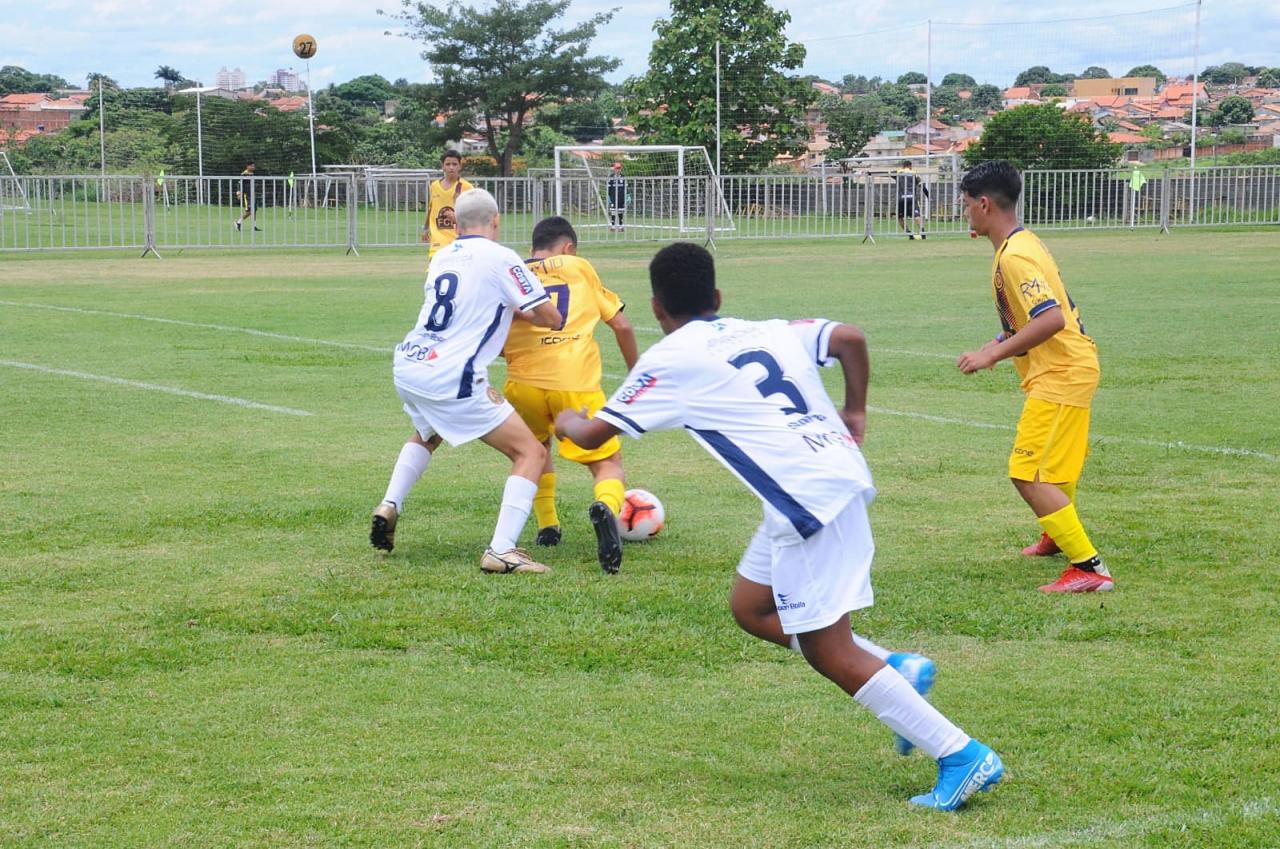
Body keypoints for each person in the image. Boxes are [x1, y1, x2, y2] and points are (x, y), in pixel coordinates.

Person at [557, 242, 1004, 811]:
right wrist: (857, 410)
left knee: (827, 649)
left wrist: (566, 415)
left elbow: (591, 435)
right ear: (717, 297)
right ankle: (895, 668)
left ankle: (962, 754)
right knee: (752, 608)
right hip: (821, 481)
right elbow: (850, 338)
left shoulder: (668, 359)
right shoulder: (765, 329)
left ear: (655, 309)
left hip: (807, 501)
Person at [371, 188, 565, 574]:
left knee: (428, 433)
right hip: (451, 374)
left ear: (456, 225)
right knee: (532, 453)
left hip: (410, 362)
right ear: (496, 221)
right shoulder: (503, 257)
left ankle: (390, 503)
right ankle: (501, 550)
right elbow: (549, 316)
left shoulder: (443, 255)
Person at [956, 160, 1111, 593]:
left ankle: (1090, 568)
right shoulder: (1022, 244)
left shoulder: (1017, 257)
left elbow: (1051, 319)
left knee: (1028, 473)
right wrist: (994, 346)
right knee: (1058, 468)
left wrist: (993, 357)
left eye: (966, 205)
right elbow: (1029, 322)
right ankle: (1056, 535)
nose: (964, 212)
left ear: (984, 204)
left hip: (1061, 372)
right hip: (1071, 367)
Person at [501, 216, 639, 574]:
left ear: (534, 247)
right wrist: (637, 375)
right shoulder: (578, 266)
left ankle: (548, 525)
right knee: (607, 463)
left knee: (534, 450)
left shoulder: (512, 271)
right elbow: (621, 324)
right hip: (573, 381)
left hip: (522, 384)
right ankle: (606, 508)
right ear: (569, 248)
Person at [422, 149, 474, 258]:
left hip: (457, 239)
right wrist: (426, 228)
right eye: (448, 164)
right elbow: (431, 208)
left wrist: (455, 217)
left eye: (454, 164)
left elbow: (471, 217)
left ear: (460, 166)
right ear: (443, 166)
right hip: (438, 238)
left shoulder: (466, 187)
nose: (451, 167)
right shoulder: (434, 186)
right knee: (435, 268)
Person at [895, 160, 929, 240]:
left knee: (900, 217)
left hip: (901, 199)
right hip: (912, 198)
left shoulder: (897, 172)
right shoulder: (914, 173)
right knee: (917, 215)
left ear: (903, 166)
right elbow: (922, 186)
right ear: (910, 166)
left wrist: (870, 173)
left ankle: (909, 233)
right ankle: (922, 231)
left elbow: (884, 173)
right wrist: (928, 196)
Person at [235, 162, 262, 232]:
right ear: (247, 166)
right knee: (250, 211)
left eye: (254, 166)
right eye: (252, 166)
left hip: (253, 194)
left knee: (254, 210)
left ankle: (254, 226)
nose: (253, 167)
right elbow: (239, 184)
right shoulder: (244, 174)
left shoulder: (252, 174)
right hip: (247, 195)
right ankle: (238, 222)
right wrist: (238, 193)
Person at [606, 161, 626, 232]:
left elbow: (625, 187)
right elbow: (608, 188)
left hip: (621, 198)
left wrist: (628, 196)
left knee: (620, 212)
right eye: (617, 168)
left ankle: (621, 227)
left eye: (619, 168)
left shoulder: (623, 177)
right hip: (613, 198)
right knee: (613, 212)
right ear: (614, 169)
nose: (618, 170)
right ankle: (613, 227)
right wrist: (609, 197)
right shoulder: (611, 177)